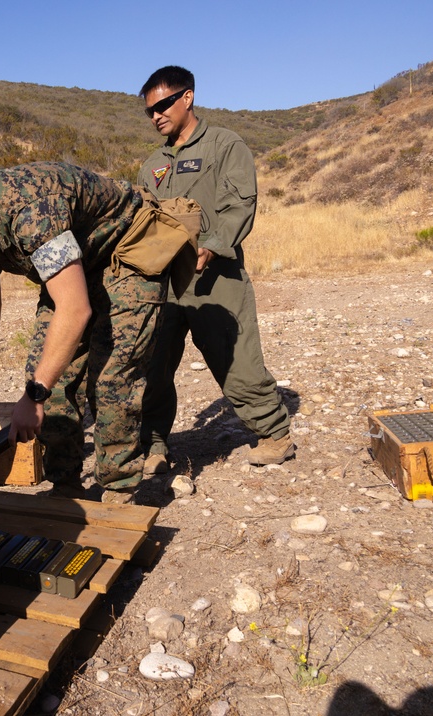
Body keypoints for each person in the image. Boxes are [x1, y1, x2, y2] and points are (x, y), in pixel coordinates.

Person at [0, 141, 169, 503]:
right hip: (71, 271)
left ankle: (118, 489)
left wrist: (34, 396)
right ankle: (65, 485)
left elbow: (75, 309)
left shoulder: (30, 208)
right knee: (46, 375)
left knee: (111, 376)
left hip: (124, 255)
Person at [137, 66, 294, 473]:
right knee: (153, 363)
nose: (156, 116)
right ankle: (153, 444)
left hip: (215, 276)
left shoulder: (225, 145)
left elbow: (241, 203)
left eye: (163, 105)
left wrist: (211, 245)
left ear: (187, 97)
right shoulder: (153, 163)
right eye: (150, 110)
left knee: (234, 356)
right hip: (164, 281)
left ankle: (274, 433)